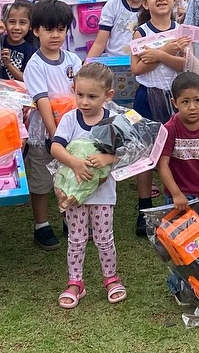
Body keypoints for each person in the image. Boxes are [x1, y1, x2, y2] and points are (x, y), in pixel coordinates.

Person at [49, 62, 126, 307]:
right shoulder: (71, 119)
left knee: (104, 238)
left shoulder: (114, 121)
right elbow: (56, 147)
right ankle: (75, 283)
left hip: (103, 193)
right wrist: (74, 163)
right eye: (79, 94)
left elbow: (129, 152)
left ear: (108, 95)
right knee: (76, 238)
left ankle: (111, 279)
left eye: (92, 96)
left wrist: (108, 158)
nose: (84, 102)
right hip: (74, 195)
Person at [128, 0, 190, 236]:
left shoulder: (182, 31)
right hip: (147, 96)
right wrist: (167, 50)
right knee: (147, 153)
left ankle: (174, 202)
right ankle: (144, 206)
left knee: (174, 151)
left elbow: (186, 65)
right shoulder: (139, 32)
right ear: (144, 2)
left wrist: (157, 55)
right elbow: (137, 69)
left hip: (176, 97)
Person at [23, 0, 82, 253]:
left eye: (60, 29)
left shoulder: (73, 60)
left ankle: (68, 218)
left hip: (71, 128)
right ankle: (41, 225)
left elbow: (81, 92)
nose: (56, 35)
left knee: (68, 176)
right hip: (45, 132)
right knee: (41, 178)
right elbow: (42, 101)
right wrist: (54, 133)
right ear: (36, 31)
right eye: (49, 29)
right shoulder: (35, 65)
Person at [156, 72, 199, 243]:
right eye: (185, 102)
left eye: (197, 100)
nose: (192, 107)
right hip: (179, 197)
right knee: (181, 243)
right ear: (175, 103)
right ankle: (182, 271)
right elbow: (162, 165)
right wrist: (176, 194)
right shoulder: (169, 129)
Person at [0, 0, 37, 82]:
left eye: (22, 22)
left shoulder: (31, 51)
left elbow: (27, 79)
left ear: (30, 26)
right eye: (12, 22)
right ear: (5, 22)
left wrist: (8, 64)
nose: (16, 27)